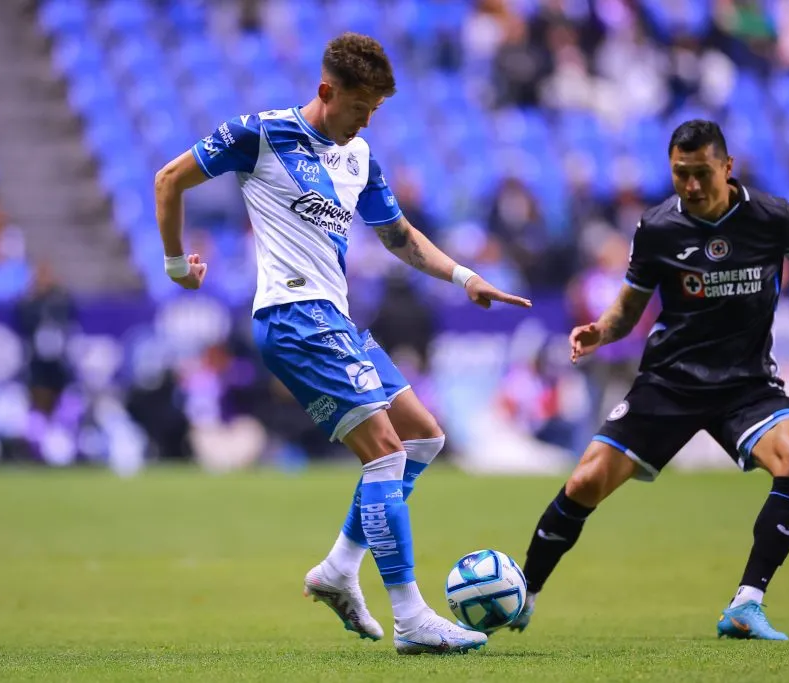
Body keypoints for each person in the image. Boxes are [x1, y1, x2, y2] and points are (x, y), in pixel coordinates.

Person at [153, 33, 531, 655]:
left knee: (423, 437)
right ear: (327, 91)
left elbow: (400, 236)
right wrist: (175, 266)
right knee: (384, 454)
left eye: (376, 110)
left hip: (336, 320)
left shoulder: (360, 159)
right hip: (294, 316)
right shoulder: (261, 133)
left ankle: (336, 571)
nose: (365, 121)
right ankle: (410, 617)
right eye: (360, 107)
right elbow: (170, 179)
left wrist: (466, 279)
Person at [510, 120, 789, 640]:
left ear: (728, 167)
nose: (692, 186)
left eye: (702, 173)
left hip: (746, 384)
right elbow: (628, 311)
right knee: (586, 480)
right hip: (670, 381)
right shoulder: (656, 227)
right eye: (681, 174)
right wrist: (600, 332)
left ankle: (747, 603)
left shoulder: (776, 218)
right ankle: (526, 592)